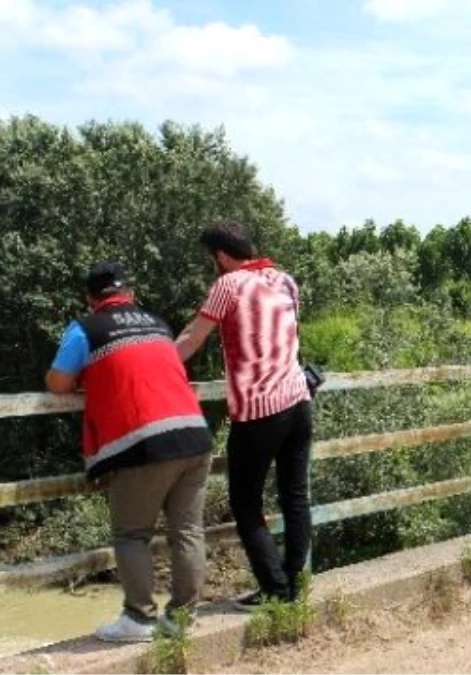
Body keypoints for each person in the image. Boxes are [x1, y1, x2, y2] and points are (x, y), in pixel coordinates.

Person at [45, 262, 212, 643]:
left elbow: (57, 382)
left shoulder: (85, 329)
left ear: (90, 300)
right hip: (194, 434)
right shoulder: (158, 323)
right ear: (130, 294)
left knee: (131, 533)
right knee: (187, 530)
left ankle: (139, 618)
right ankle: (182, 619)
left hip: (145, 442)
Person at [176, 221, 313, 609]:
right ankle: (293, 584)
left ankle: (275, 591)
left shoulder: (229, 284)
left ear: (220, 256)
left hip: (259, 408)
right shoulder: (285, 280)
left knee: (246, 503)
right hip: (298, 401)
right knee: (295, 497)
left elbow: (193, 336)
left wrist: (155, 368)